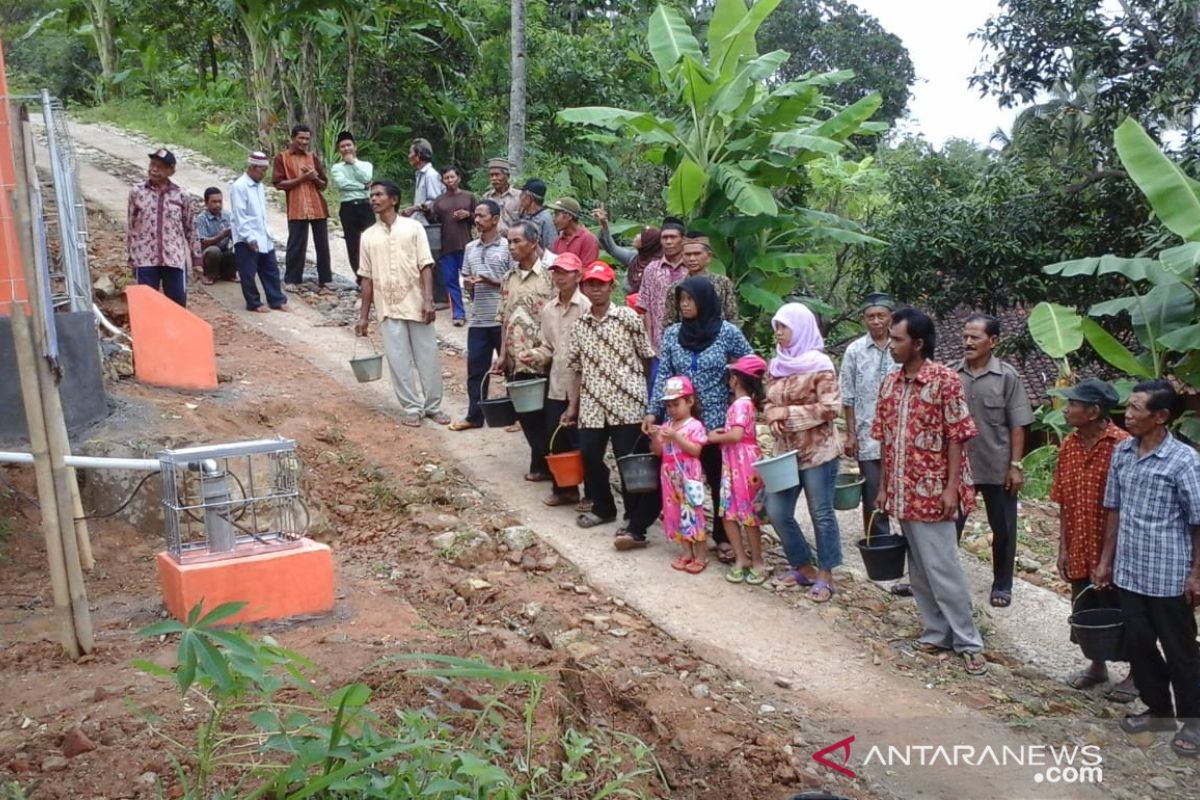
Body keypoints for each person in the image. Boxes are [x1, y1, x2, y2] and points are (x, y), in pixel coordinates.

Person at [872, 307, 986, 676]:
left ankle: (968, 640)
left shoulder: (945, 381)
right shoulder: (889, 383)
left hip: (935, 491)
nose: (891, 345)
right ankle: (936, 632)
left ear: (918, 344)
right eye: (890, 338)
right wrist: (884, 487)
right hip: (903, 491)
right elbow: (887, 441)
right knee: (918, 568)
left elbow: (957, 437)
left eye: (898, 339)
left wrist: (951, 488)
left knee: (943, 567)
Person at [1094, 379, 1200, 758]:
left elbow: (1198, 520)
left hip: (1170, 576)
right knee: (1138, 646)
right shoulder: (1123, 452)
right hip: (1130, 571)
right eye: (1130, 406)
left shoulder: (1184, 461)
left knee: (1181, 650)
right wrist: (1105, 562)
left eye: (1137, 408)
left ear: (1161, 417)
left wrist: (1196, 573)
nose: (1128, 413)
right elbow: (1114, 510)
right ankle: (1159, 711)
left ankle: (1193, 722)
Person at [647, 277, 752, 563]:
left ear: (704, 301)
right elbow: (663, 375)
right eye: (681, 299)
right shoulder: (672, 334)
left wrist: (738, 393)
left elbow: (751, 363)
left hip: (715, 422)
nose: (684, 304)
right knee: (676, 477)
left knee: (718, 481)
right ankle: (684, 536)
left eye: (690, 299)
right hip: (678, 420)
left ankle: (721, 537)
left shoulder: (727, 332)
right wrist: (653, 410)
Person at [563, 261, 659, 549]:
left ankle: (633, 516)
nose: (595, 289)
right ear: (584, 287)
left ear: (611, 286)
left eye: (600, 283)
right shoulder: (579, 325)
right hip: (592, 401)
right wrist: (572, 405)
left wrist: (639, 391)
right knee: (590, 455)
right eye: (590, 284)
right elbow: (576, 368)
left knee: (628, 460)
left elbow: (646, 356)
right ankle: (604, 507)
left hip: (627, 401)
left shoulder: (628, 318)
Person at [1050, 378, 1135, 701]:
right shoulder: (1069, 445)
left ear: (1094, 411)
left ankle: (1135, 673)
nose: (1067, 409)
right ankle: (1097, 665)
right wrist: (1063, 547)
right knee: (1085, 607)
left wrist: (1108, 559)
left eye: (1073, 404)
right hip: (1080, 543)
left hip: (1118, 549)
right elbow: (1063, 499)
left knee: (1124, 610)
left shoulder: (1122, 446)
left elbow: (1129, 506)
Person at [763, 303, 844, 603]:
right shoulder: (778, 364)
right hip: (786, 452)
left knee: (821, 512)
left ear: (800, 328)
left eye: (783, 327)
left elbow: (830, 408)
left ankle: (826, 573)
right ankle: (803, 566)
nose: (779, 334)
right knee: (777, 510)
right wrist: (772, 414)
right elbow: (768, 401)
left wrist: (788, 413)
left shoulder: (819, 364)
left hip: (819, 451)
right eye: (777, 328)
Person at [354, 180, 449, 427]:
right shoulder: (367, 237)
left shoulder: (413, 228)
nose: (373, 199)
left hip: (417, 303)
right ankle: (412, 408)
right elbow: (366, 278)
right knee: (398, 361)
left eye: (378, 195)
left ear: (393, 200)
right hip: (387, 306)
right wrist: (364, 316)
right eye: (371, 195)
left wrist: (429, 300)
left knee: (427, 357)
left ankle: (433, 407)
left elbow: (425, 265)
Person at [955, 313, 1034, 608]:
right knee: (948, 526)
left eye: (975, 337)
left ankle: (1002, 583)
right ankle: (938, 580)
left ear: (993, 341)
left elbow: (1018, 424)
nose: (968, 342)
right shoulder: (953, 374)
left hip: (996, 466)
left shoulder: (1007, 377)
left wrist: (1015, 466)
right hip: (958, 467)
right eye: (965, 336)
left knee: (1003, 528)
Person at [517, 252, 591, 508]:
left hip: (586, 385)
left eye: (566, 272)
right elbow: (549, 347)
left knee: (586, 440)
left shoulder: (587, 306)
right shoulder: (549, 310)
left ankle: (591, 493)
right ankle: (565, 488)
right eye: (557, 272)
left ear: (578, 276)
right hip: (558, 383)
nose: (560, 277)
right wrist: (534, 355)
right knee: (555, 436)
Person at [840, 292, 902, 591]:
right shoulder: (854, 351)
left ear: (890, 317)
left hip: (901, 437)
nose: (876, 321)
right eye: (870, 317)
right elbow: (848, 396)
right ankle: (879, 548)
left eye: (881, 316)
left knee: (901, 491)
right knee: (872, 492)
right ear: (863, 319)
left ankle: (907, 547)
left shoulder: (902, 347)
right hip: (867, 434)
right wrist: (850, 433)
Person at [494, 222, 557, 481]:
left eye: (517, 241)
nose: (512, 247)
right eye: (509, 242)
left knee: (547, 414)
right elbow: (504, 319)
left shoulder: (550, 276)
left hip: (545, 356)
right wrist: (503, 354)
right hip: (517, 359)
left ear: (533, 242)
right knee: (525, 413)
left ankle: (549, 465)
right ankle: (542, 462)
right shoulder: (508, 279)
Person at [707, 355, 770, 585]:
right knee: (730, 510)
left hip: (742, 463)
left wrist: (715, 436)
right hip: (734, 462)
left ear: (736, 379)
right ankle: (744, 558)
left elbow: (737, 435)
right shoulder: (742, 403)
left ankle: (755, 560)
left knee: (747, 513)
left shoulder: (741, 405)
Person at [452, 200, 510, 431]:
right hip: (478, 319)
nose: (476, 220)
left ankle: (513, 416)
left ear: (495, 219)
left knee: (511, 369)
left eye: (481, 216)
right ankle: (474, 416)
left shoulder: (508, 247)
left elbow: (514, 282)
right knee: (476, 371)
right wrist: (467, 284)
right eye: (475, 215)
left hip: (502, 318)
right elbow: (465, 278)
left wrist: (491, 281)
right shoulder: (470, 248)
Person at [126, 148, 201, 307]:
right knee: (146, 307)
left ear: (171, 171)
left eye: (160, 166)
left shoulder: (181, 195)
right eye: (152, 164)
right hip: (145, 258)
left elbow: (191, 228)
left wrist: (197, 260)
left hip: (173, 259)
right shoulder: (137, 192)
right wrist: (132, 257)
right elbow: (132, 226)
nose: (154, 169)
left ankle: (176, 333)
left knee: (177, 306)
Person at [651, 376, 709, 573]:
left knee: (693, 511)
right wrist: (655, 436)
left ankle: (700, 555)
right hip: (669, 473)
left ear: (690, 402)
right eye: (668, 406)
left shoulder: (695, 425)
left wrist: (675, 437)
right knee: (674, 512)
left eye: (676, 404)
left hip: (688, 472)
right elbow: (658, 452)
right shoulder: (667, 425)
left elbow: (695, 450)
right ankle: (686, 552)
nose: (672, 410)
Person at [272, 124, 332, 293]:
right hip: (297, 206)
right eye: (301, 138)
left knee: (322, 245)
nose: (304, 142)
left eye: (307, 139)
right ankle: (292, 279)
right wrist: (301, 178)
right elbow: (278, 184)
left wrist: (314, 178)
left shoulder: (313, 157)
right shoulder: (281, 158)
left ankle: (326, 280)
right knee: (296, 244)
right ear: (293, 138)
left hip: (317, 206)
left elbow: (323, 185)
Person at [229, 151, 288, 314]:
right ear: (253, 168)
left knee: (270, 268)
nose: (264, 174)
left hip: (262, 233)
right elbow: (240, 214)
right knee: (248, 271)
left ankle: (276, 299)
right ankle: (253, 302)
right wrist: (249, 236)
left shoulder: (259, 186)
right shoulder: (240, 186)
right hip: (246, 235)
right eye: (262, 170)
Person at [429, 165, 476, 326]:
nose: (449, 180)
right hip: (446, 247)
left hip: (467, 246)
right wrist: (426, 211)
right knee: (451, 282)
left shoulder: (469, 197)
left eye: (452, 177)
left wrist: (468, 215)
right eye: (446, 178)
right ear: (443, 181)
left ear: (459, 178)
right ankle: (458, 314)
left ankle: (479, 310)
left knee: (472, 280)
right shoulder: (439, 201)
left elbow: (479, 218)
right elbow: (434, 221)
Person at [636, 217, 688, 355]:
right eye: (665, 238)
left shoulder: (691, 269)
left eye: (673, 237)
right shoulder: (651, 269)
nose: (669, 242)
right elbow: (645, 307)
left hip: (689, 342)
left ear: (683, 240)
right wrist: (649, 341)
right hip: (658, 345)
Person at [662, 234, 738, 326]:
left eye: (697, 254)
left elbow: (732, 317)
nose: (692, 259)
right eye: (687, 254)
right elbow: (669, 323)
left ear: (709, 256)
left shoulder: (723, 283)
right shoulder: (676, 288)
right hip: (687, 338)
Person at [329, 131, 374, 284]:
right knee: (353, 243)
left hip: (365, 206)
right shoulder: (336, 168)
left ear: (355, 147)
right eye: (342, 146)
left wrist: (353, 163)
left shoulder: (366, 165)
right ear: (339, 149)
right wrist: (362, 186)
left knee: (371, 241)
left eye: (349, 145)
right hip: (348, 208)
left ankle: (375, 275)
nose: (346, 148)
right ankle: (360, 278)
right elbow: (343, 185)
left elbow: (367, 177)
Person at [591, 206, 661, 294]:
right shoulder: (634, 258)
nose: (636, 235)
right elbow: (612, 248)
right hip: (629, 305)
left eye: (641, 235)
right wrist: (604, 225)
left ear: (649, 242)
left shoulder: (659, 267)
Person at [195, 187, 237, 285]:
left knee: (238, 249)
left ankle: (228, 274)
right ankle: (210, 275)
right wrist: (221, 236)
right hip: (208, 254)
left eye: (220, 202)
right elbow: (203, 243)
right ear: (206, 203)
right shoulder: (201, 219)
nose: (217, 205)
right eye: (214, 202)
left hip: (224, 251)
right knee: (214, 251)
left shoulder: (227, 216)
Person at [401, 138, 444, 223]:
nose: (409, 156)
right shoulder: (420, 174)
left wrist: (413, 209)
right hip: (420, 223)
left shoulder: (431, 175)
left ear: (418, 155)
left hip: (429, 226)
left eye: (411, 152)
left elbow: (435, 202)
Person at [548, 197, 600, 264]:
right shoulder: (558, 241)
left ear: (569, 216)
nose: (554, 219)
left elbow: (587, 269)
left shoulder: (588, 239)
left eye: (557, 214)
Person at [517, 179, 557, 256]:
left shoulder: (546, 220)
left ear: (529, 198)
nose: (520, 197)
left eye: (522, 194)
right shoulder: (523, 214)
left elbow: (551, 249)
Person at [482, 157, 522, 232]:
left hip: (513, 240)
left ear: (507, 176)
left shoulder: (519, 196)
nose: (494, 178)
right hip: (492, 241)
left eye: (497, 175)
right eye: (491, 175)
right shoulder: (487, 197)